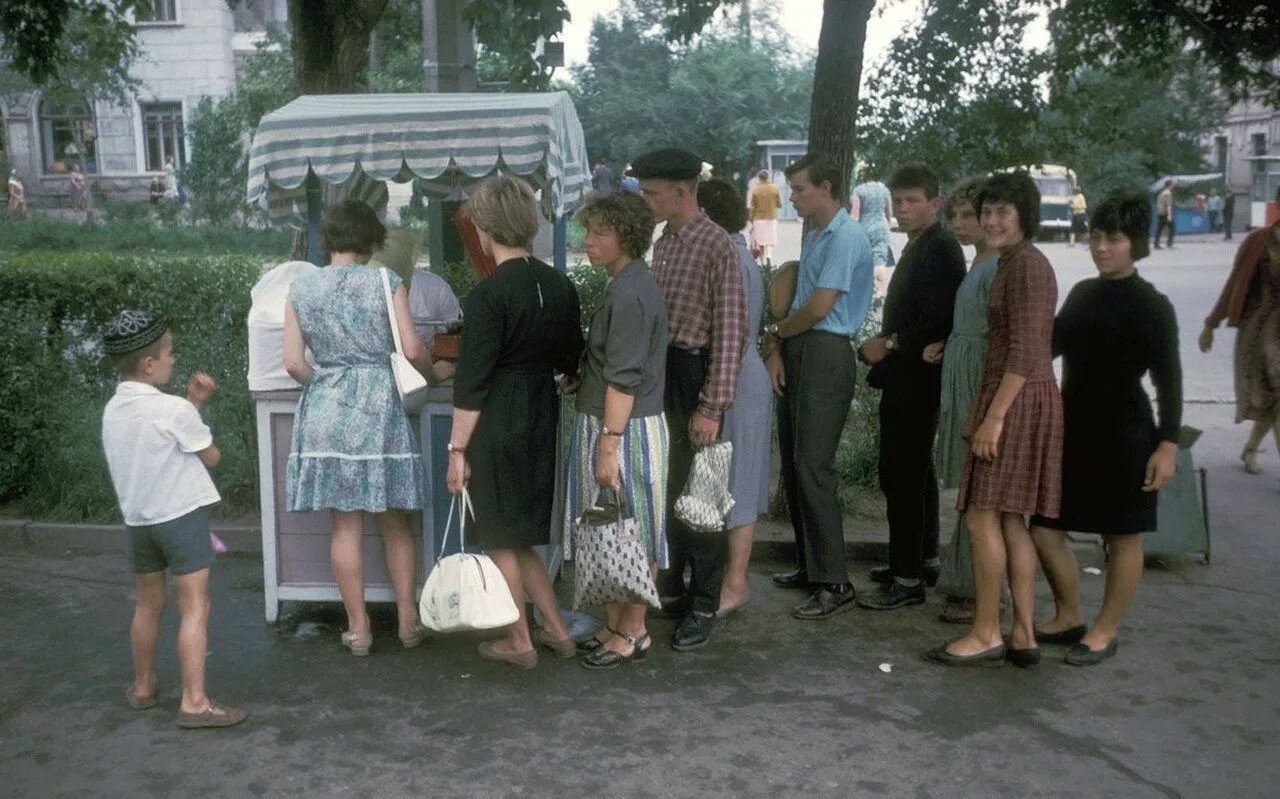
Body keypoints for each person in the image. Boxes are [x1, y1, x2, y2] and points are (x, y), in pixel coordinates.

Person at [1029, 191, 1182, 665]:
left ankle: (1105, 629)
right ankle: (1069, 614)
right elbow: (1046, 348)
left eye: (1113, 239)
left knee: (1122, 537)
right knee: (1044, 529)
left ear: (1135, 243)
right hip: (1071, 432)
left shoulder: (1152, 305)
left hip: (1126, 436)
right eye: (1096, 237)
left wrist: (1167, 445)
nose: (1101, 248)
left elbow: (1169, 380)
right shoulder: (1082, 293)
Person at [923, 172, 1063, 667]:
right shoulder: (1013, 263)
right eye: (988, 211)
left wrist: (992, 418)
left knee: (983, 515)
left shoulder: (1025, 267)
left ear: (1025, 216)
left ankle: (987, 631)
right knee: (1010, 520)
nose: (992, 219)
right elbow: (1002, 349)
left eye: (1004, 210)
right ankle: (1022, 632)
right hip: (1019, 397)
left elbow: (1023, 352)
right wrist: (978, 414)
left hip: (1018, 400)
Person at [446, 175, 585, 669]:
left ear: (484, 226)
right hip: (542, 411)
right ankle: (558, 630)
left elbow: (472, 382)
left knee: (500, 534)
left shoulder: (487, 297)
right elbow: (572, 361)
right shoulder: (560, 285)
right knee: (522, 533)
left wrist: (456, 451)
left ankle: (519, 639)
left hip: (499, 415)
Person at [283, 200, 430, 657]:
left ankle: (359, 630)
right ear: (371, 240)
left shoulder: (301, 289)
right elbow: (410, 349)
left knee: (344, 526)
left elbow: (292, 364)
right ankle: (407, 623)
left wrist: (329, 383)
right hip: (378, 409)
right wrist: (433, 370)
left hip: (326, 412)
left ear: (328, 239)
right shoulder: (387, 282)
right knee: (395, 523)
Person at [100, 310, 246, 729]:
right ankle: (195, 703)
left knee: (148, 604)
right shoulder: (171, 411)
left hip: (140, 521)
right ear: (148, 364)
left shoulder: (113, 409)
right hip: (180, 518)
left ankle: (143, 686)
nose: (173, 359)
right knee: (195, 606)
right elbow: (211, 456)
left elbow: (160, 433)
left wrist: (192, 402)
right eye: (168, 353)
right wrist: (195, 411)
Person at [632, 147, 747, 651]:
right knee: (669, 484)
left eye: (653, 193)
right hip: (664, 372)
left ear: (682, 192)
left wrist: (711, 405)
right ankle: (674, 589)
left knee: (702, 496)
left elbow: (731, 332)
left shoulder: (716, 244)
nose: (646, 201)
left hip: (696, 372)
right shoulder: (664, 242)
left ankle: (704, 603)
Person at [764, 151, 875, 620]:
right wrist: (780, 347)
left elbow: (820, 307)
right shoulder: (815, 234)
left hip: (826, 349)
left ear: (827, 187)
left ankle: (835, 580)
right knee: (794, 461)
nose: (793, 196)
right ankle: (813, 567)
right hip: (802, 347)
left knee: (814, 466)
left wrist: (777, 335)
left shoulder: (846, 236)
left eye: (800, 188)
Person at [562, 191, 669, 669]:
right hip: (616, 424)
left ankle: (634, 630)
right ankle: (613, 624)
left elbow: (625, 375)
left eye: (600, 232)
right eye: (589, 230)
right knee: (611, 526)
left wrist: (609, 445)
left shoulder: (629, 292)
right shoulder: (624, 283)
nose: (589, 240)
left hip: (627, 430)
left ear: (625, 237)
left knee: (633, 528)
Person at [857, 164, 965, 610]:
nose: (902, 209)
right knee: (915, 473)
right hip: (909, 374)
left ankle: (906, 579)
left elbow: (936, 318)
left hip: (917, 377)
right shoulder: (925, 243)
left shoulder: (939, 248)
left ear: (934, 204)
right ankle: (920, 559)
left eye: (912, 201)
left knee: (900, 474)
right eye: (897, 202)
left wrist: (889, 343)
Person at [697, 177, 773, 616]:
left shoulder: (731, 257)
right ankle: (723, 577)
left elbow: (730, 334)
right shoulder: (735, 253)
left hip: (737, 378)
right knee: (719, 477)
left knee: (738, 480)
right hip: (737, 374)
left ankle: (737, 581)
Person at [927, 177, 1000, 625]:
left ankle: (983, 591)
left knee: (981, 494)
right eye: (954, 216)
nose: (959, 224)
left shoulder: (995, 267)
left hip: (979, 386)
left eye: (969, 215)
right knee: (972, 494)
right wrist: (949, 343)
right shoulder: (979, 263)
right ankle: (973, 585)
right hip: (963, 373)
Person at [1199, 212, 1280, 474]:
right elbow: (1235, 284)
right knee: (1269, 397)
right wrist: (1211, 323)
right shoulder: (1258, 241)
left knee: (1275, 399)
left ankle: (1252, 448)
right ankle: (1252, 449)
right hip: (1259, 332)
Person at [850, 166, 893, 298]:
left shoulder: (859, 190)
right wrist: (888, 225)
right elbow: (889, 211)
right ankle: (879, 291)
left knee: (864, 257)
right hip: (881, 226)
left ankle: (865, 288)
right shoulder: (885, 190)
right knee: (880, 257)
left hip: (865, 226)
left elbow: (855, 213)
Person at [748, 169, 782, 265]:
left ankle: (762, 263)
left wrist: (750, 220)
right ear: (768, 177)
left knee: (760, 242)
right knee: (770, 241)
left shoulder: (755, 190)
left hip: (758, 219)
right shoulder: (775, 189)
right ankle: (768, 257)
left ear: (759, 178)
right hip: (771, 217)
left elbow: (753, 207)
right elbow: (779, 204)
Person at [1154, 179, 1174, 250]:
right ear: (1169, 185)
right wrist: (1169, 214)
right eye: (1172, 185)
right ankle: (1169, 244)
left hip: (1160, 212)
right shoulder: (1168, 193)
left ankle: (1156, 244)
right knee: (1172, 228)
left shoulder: (1161, 193)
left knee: (1159, 229)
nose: (1172, 187)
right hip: (1165, 213)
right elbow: (1167, 204)